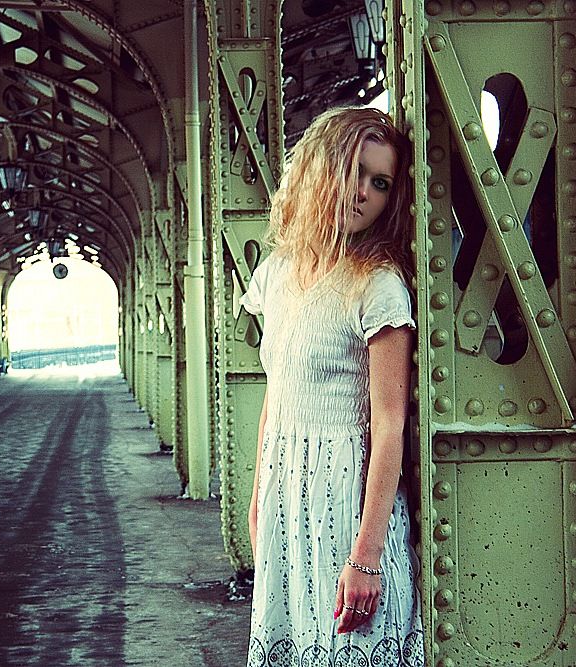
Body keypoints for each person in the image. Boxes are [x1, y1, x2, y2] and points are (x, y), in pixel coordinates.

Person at [240, 107, 424, 666]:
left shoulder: (379, 286)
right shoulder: (277, 273)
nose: (363, 192)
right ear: (320, 167)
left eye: (381, 183)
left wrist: (366, 556)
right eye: (354, 171)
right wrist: (257, 498)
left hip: (347, 503)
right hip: (287, 493)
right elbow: (276, 396)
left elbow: (388, 425)